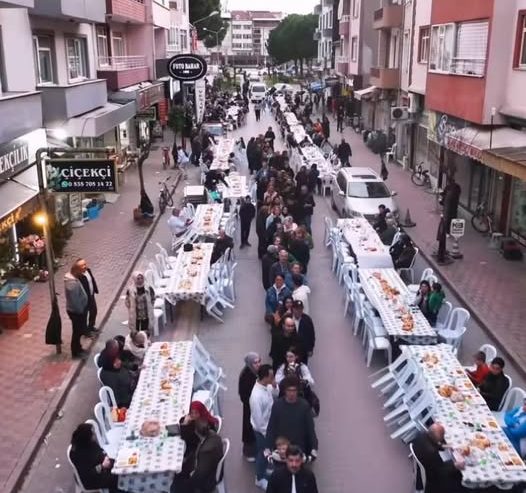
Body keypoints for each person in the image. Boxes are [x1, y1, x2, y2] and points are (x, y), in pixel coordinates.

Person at [265, 377, 318, 458]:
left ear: (297, 391)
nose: (292, 393)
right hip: (281, 449)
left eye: (294, 390)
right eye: (289, 390)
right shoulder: (277, 405)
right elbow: (271, 426)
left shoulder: (304, 406)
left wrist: (314, 447)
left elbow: (310, 428)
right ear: (285, 391)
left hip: (298, 448)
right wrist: (267, 446)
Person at [171, 418, 223, 493]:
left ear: (196, 432)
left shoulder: (205, 452)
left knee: (176, 485)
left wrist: (187, 484)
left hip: (206, 483)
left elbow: (198, 478)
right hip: (210, 469)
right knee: (180, 471)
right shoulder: (214, 436)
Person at [410, 423, 466, 493]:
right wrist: (456, 465)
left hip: (424, 467)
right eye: (442, 437)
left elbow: (433, 442)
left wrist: (446, 446)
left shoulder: (421, 435)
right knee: (461, 477)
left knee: (452, 462)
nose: (442, 438)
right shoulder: (432, 453)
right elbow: (440, 472)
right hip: (433, 480)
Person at [250, 364, 279, 490]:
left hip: (269, 426)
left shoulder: (266, 386)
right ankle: (259, 478)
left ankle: (263, 472)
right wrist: (267, 433)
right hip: (262, 431)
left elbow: (276, 394)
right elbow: (258, 419)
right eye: (271, 376)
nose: (273, 377)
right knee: (263, 453)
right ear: (265, 377)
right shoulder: (256, 396)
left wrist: (274, 385)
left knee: (266, 452)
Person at [69, 423, 120, 493]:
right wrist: (102, 466)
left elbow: (100, 450)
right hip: (92, 479)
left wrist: (105, 457)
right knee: (116, 479)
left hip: (102, 464)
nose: (94, 435)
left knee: (119, 465)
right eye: (92, 434)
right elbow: (88, 474)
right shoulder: (78, 454)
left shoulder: (90, 443)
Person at [179, 401, 220, 475]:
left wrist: (185, 425)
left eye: (196, 413)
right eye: (191, 413)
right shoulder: (198, 421)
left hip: (196, 454)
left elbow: (190, 439)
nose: (193, 415)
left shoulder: (204, 426)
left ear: (200, 412)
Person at [238, 352, 262, 461]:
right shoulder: (246, 375)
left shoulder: (257, 373)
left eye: (258, 362)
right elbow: (243, 394)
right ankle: (249, 452)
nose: (258, 365)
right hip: (249, 407)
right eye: (255, 363)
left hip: (256, 405)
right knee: (249, 428)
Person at [64, 262, 89, 358]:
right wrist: (81, 311)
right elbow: (75, 301)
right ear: (76, 271)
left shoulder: (74, 279)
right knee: (76, 332)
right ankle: (76, 351)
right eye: (81, 269)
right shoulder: (72, 284)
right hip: (76, 312)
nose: (83, 272)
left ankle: (78, 348)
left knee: (77, 331)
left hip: (76, 310)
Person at [125, 271, 156, 335]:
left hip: (146, 315)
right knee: (135, 333)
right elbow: (127, 302)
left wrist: (150, 307)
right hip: (136, 317)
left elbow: (153, 298)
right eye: (138, 279)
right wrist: (131, 309)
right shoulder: (130, 290)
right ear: (134, 279)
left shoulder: (148, 288)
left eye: (141, 278)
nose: (140, 280)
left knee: (145, 333)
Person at [76, 258, 99, 335]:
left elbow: (92, 280)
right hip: (84, 298)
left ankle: (91, 326)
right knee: (84, 315)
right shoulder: (78, 276)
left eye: (85, 264)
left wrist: (95, 289)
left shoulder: (88, 270)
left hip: (91, 295)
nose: (85, 266)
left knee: (94, 311)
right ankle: (85, 331)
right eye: (82, 265)